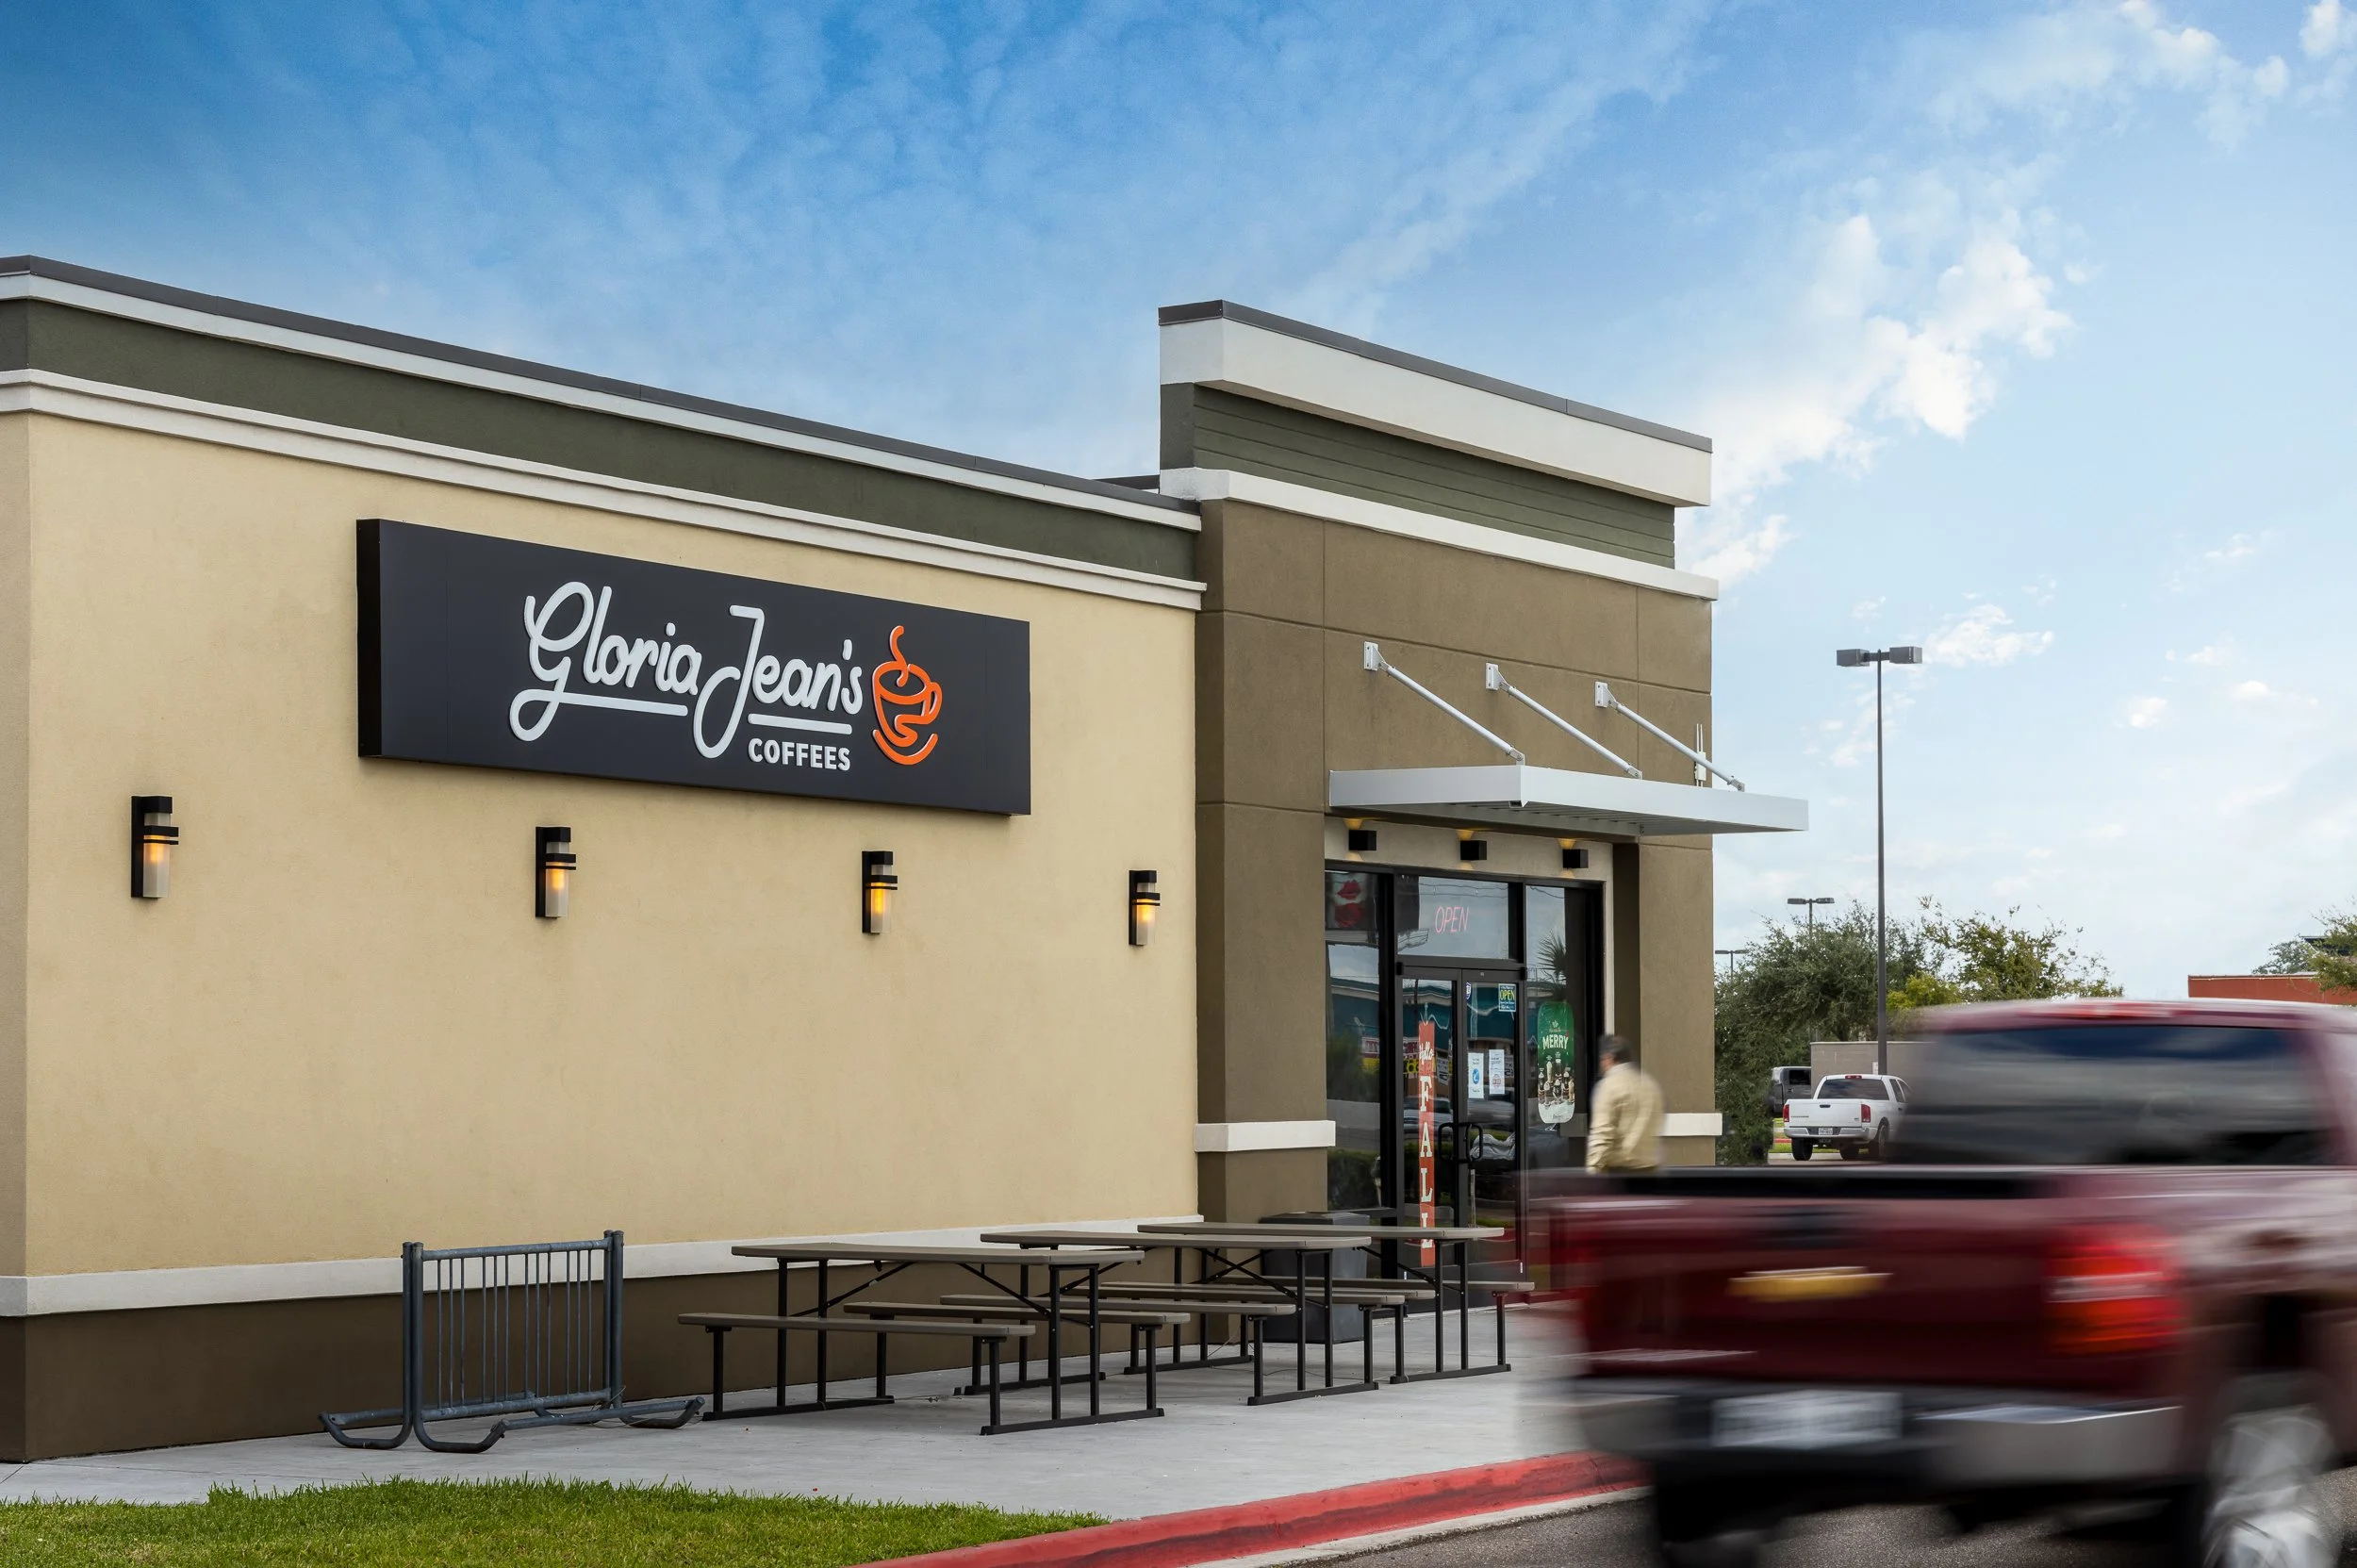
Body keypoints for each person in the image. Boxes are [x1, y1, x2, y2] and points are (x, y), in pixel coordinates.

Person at [1585, 1035, 1664, 1172]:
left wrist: (1593, 1170)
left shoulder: (1609, 1086)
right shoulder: (1650, 1085)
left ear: (1609, 1058)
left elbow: (1602, 1134)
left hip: (1620, 1175)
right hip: (1650, 1172)